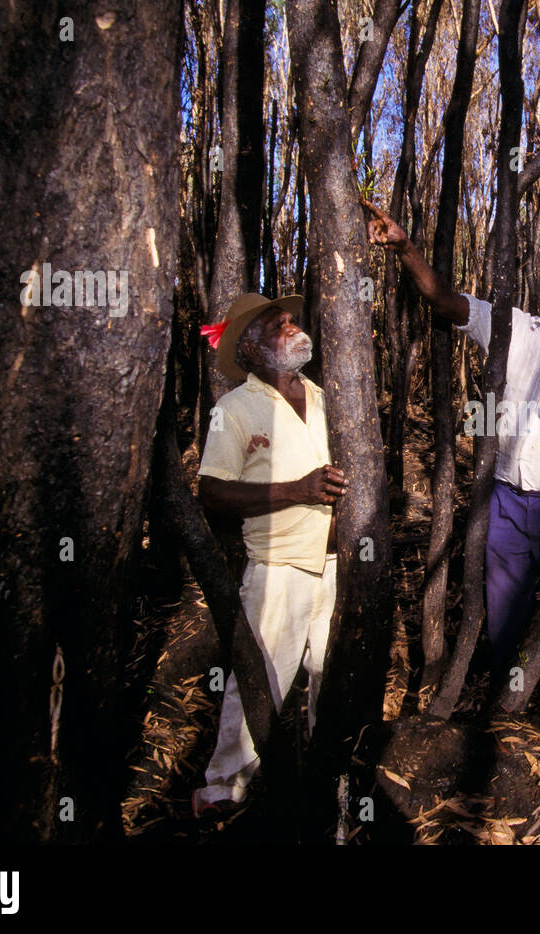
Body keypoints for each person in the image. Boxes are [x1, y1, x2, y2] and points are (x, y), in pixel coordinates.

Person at [364, 199, 540, 728]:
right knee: (504, 606)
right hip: (505, 497)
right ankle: (513, 698)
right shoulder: (512, 327)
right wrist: (405, 246)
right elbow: (444, 299)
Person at [191, 293, 349, 818]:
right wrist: (296, 491)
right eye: (277, 325)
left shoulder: (329, 397)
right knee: (260, 680)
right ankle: (222, 789)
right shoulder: (233, 409)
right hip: (278, 567)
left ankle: (325, 779)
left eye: (291, 320)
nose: (291, 326)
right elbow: (212, 491)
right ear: (254, 351)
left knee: (329, 676)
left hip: (334, 565)